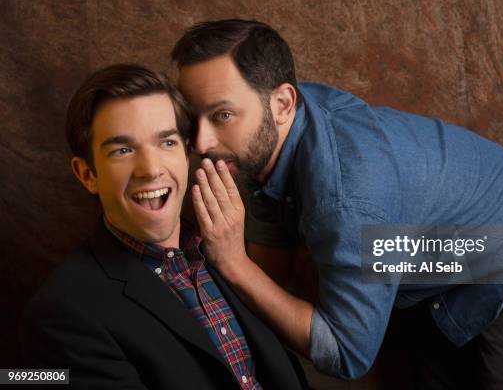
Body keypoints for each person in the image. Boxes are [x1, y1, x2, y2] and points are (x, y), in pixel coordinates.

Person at [172, 19, 503, 389]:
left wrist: (233, 265)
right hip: (449, 253)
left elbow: (348, 354)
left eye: (223, 116)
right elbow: (272, 271)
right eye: (195, 119)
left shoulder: (345, 199)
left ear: (283, 104)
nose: (201, 144)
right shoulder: (278, 129)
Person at [20, 64, 307, 390]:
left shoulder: (221, 249)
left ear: (186, 154)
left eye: (167, 143)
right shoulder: (65, 314)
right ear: (88, 175)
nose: (151, 168)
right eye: (123, 150)